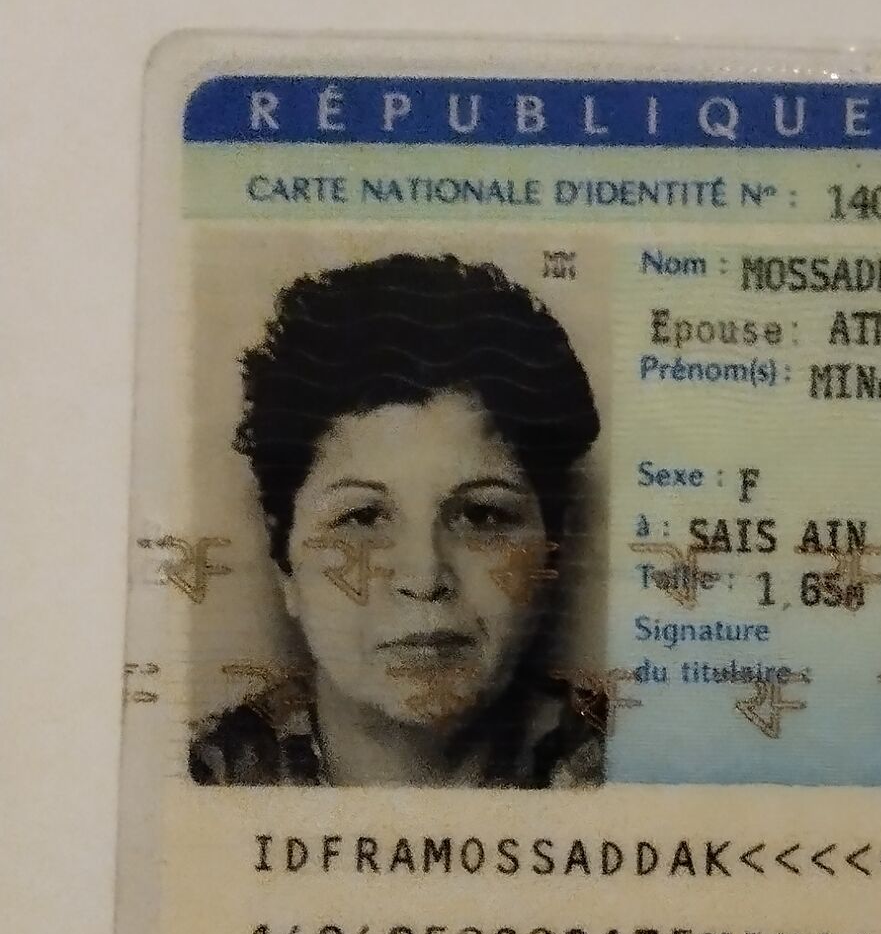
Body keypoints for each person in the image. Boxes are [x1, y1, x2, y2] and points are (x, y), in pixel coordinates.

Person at [189, 252, 605, 786]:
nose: (424, 578)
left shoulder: (646, 761)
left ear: (553, 547)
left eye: (482, 515)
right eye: (362, 517)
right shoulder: (199, 780)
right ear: (283, 559)